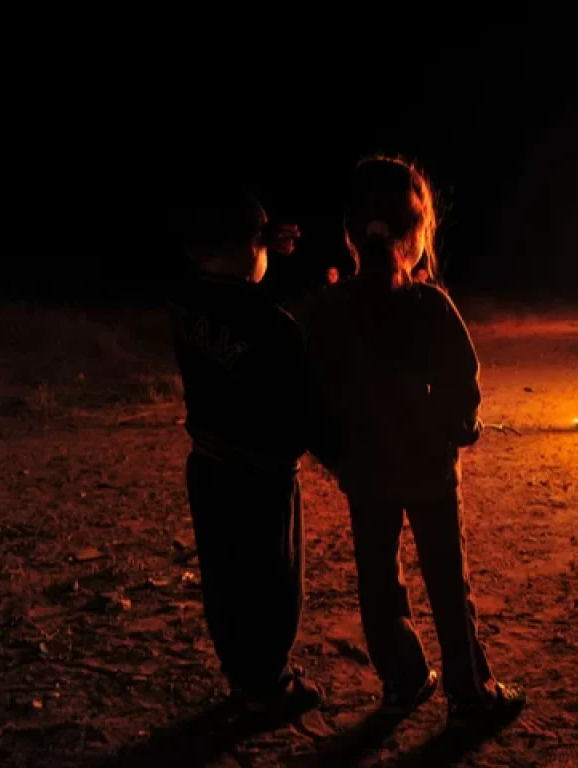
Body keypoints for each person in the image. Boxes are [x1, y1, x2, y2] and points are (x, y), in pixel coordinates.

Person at [299, 155, 524, 725]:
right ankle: (469, 691)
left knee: (378, 581)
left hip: (366, 473)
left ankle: (403, 679)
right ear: (418, 233)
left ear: (351, 236)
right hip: (427, 472)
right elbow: (462, 386)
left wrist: (339, 455)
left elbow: (312, 395)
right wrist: (455, 435)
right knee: (449, 582)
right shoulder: (429, 305)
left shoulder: (328, 311)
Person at [165, 186, 334, 719]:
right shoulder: (276, 329)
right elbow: (306, 411)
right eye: (260, 242)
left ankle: (243, 674)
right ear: (246, 248)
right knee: (275, 583)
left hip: (209, 465)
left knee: (226, 577)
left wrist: (260, 246)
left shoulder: (185, 298)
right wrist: (343, 458)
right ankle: (271, 685)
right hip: (263, 477)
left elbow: (234, 297)